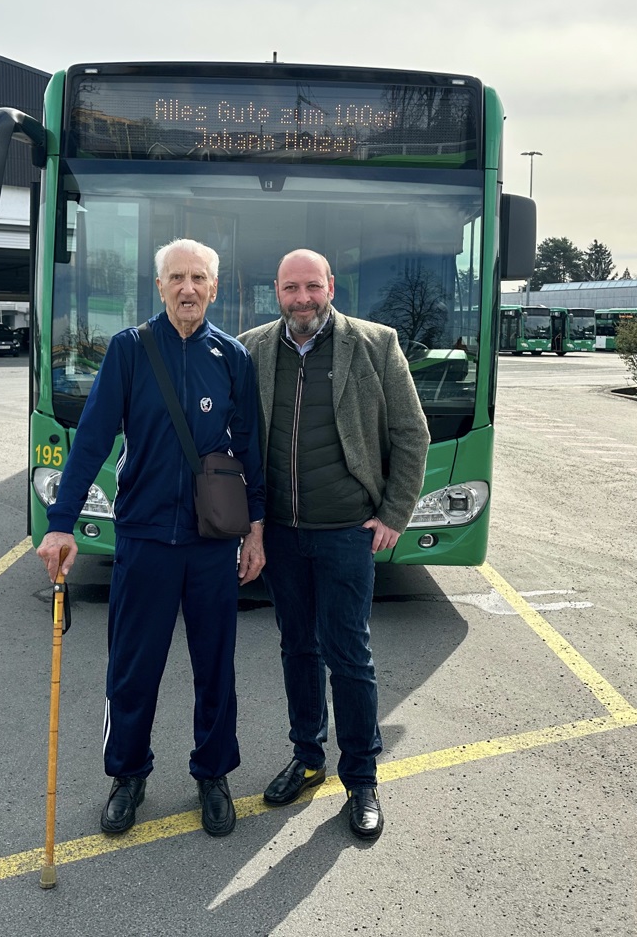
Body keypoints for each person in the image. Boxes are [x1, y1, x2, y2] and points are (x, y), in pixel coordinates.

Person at [36, 238, 266, 839]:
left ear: (214, 288)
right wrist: (61, 521)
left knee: (215, 667)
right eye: (175, 278)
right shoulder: (129, 350)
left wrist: (256, 530)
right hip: (141, 538)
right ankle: (127, 775)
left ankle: (213, 775)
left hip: (212, 541)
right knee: (133, 669)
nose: (187, 289)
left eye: (198, 279)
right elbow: (90, 439)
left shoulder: (233, 356)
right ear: (158, 286)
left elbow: (252, 451)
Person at [238, 248, 429, 840]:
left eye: (312, 287)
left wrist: (394, 514)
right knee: (297, 649)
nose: (302, 299)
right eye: (291, 288)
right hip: (284, 537)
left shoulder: (376, 344)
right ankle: (307, 754)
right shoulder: (252, 348)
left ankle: (363, 776)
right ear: (276, 291)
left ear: (331, 287)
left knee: (349, 657)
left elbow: (410, 432)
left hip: (348, 533)